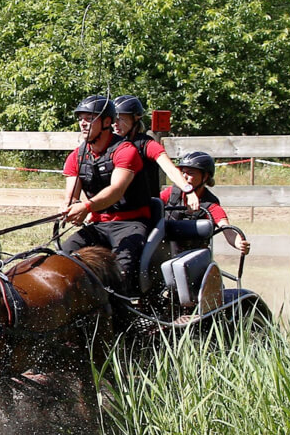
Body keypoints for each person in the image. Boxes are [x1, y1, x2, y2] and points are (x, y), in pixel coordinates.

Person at [60, 94, 151, 296]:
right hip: (99, 224)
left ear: (107, 122)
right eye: (80, 118)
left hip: (131, 224)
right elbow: (71, 197)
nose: (83, 123)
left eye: (89, 118)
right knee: (63, 258)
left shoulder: (125, 151)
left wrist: (86, 207)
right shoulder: (76, 156)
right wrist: (69, 208)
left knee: (122, 271)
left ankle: (124, 317)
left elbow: (116, 191)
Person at [113, 95, 200, 210]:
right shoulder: (109, 145)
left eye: (121, 118)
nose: (115, 123)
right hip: (115, 209)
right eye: (114, 118)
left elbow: (170, 169)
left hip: (143, 211)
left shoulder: (147, 144)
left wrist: (189, 191)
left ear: (135, 119)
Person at [161, 151, 251, 255]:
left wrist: (240, 244)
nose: (184, 177)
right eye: (183, 172)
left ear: (205, 177)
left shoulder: (211, 205)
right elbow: (152, 205)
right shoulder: (171, 193)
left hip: (194, 258)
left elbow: (228, 230)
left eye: (190, 173)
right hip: (164, 254)